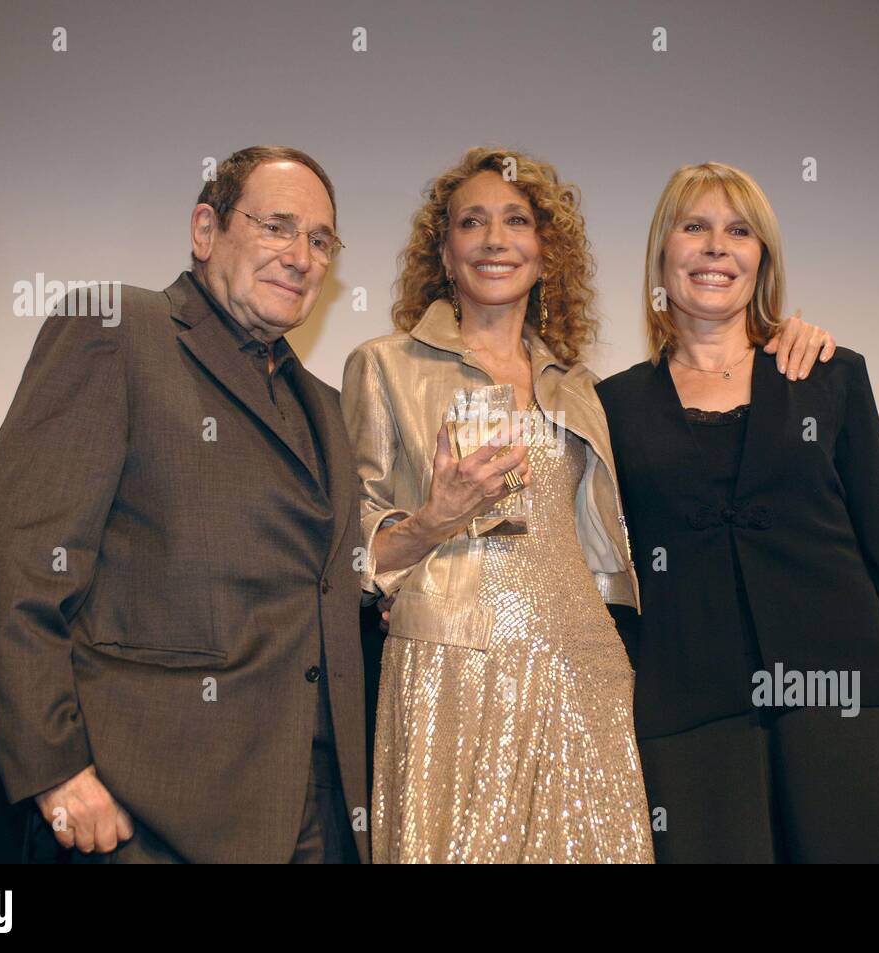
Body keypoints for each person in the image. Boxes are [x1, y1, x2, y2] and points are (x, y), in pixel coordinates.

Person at [344, 146, 827, 862]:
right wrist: (431, 522)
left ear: (546, 253)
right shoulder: (382, 365)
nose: (495, 239)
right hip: (454, 670)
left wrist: (781, 331)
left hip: (586, 674)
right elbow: (353, 556)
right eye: (471, 222)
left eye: (516, 221)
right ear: (444, 252)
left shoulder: (582, 389)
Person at [0, 146, 367, 863]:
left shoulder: (327, 411)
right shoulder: (117, 330)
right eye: (277, 226)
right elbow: (10, 562)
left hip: (313, 819)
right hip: (144, 822)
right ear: (205, 230)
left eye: (321, 239)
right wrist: (55, 771)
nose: (301, 256)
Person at [596, 162, 879, 863]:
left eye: (739, 231)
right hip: (688, 723)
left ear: (761, 258)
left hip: (849, 703)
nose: (716, 247)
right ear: (662, 252)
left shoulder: (828, 374)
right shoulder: (610, 407)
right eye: (695, 227)